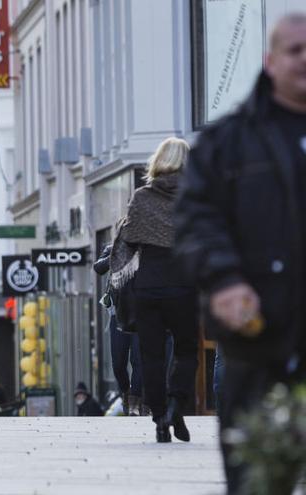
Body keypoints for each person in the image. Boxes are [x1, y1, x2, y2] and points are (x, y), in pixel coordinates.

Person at [176, 13, 306, 493]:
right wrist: (225, 279)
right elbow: (196, 221)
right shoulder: (229, 141)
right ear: (271, 61)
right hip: (260, 343)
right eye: (295, 50)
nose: (305, 59)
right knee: (256, 481)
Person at [111, 137, 198, 444]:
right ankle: (176, 403)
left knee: (151, 356)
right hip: (184, 285)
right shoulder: (196, 195)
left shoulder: (142, 196)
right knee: (187, 351)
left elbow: (131, 237)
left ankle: (160, 418)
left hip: (147, 286)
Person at [93, 243, 143, 415]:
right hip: (119, 314)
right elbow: (98, 267)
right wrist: (117, 255)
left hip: (142, 315)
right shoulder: (113, 248)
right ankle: (126, 392)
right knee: (118, 363)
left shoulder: (146, 248)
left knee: (138, 360)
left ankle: (135, 403)